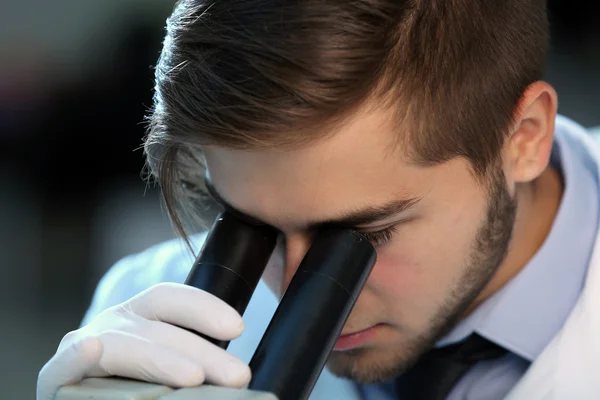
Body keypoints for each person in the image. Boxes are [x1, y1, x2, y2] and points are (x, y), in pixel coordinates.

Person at [37, 0, 600, 399]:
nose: (289, 288)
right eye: (250, 227)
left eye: (366, 235)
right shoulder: (144, 326)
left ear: (523, 137)